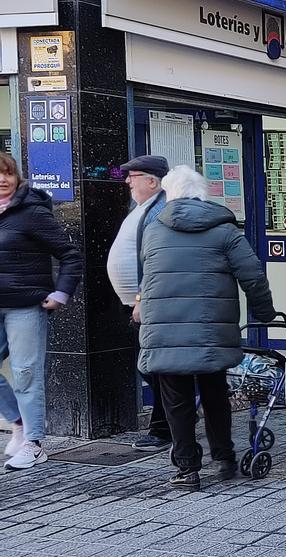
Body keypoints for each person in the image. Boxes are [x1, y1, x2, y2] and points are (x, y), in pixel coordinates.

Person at [138, 166, 275, 487]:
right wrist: (264, 313)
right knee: (215, 394)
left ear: (169, 194)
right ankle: (225, 459)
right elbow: (252, 275)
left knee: (177, 400)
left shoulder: (154, 229)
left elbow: (148, 275)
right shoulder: (225, 230)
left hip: (165, 330)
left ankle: (187, 469)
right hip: (210, 330)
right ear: (203, 194)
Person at [0, 152, 83, 471]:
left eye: (7, 173)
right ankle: (18, 422)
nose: (2, 180)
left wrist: (61, 293)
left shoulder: (32, 212)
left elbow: (69, 255)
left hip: (26, 304)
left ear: (16, 176)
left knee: (25, 374)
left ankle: (34, 444)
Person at [108, 155, 173, 451]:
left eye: (132, 176)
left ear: (152, 181)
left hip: (147, 305)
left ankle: (164, 429)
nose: (127, 181)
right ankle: (172, 422)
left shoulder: (159, 209)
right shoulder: (144, 207)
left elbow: (157, 261)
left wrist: (142, 299)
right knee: (152, 367)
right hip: (139, 304)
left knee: (156, 368)